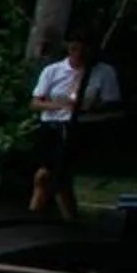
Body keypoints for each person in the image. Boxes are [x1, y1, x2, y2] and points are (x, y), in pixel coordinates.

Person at [30, 34, 120, 219]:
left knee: (51, 173)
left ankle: (38, 213)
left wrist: (90, 107)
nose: (78, 54)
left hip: (80, 127)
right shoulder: (53, 71)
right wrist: (61, 106)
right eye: (74, 49)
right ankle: (65, 216)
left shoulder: (103, 72)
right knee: (52, 175)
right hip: (52, 125)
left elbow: (113, 103)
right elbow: (36, 102)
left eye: (82, 50)